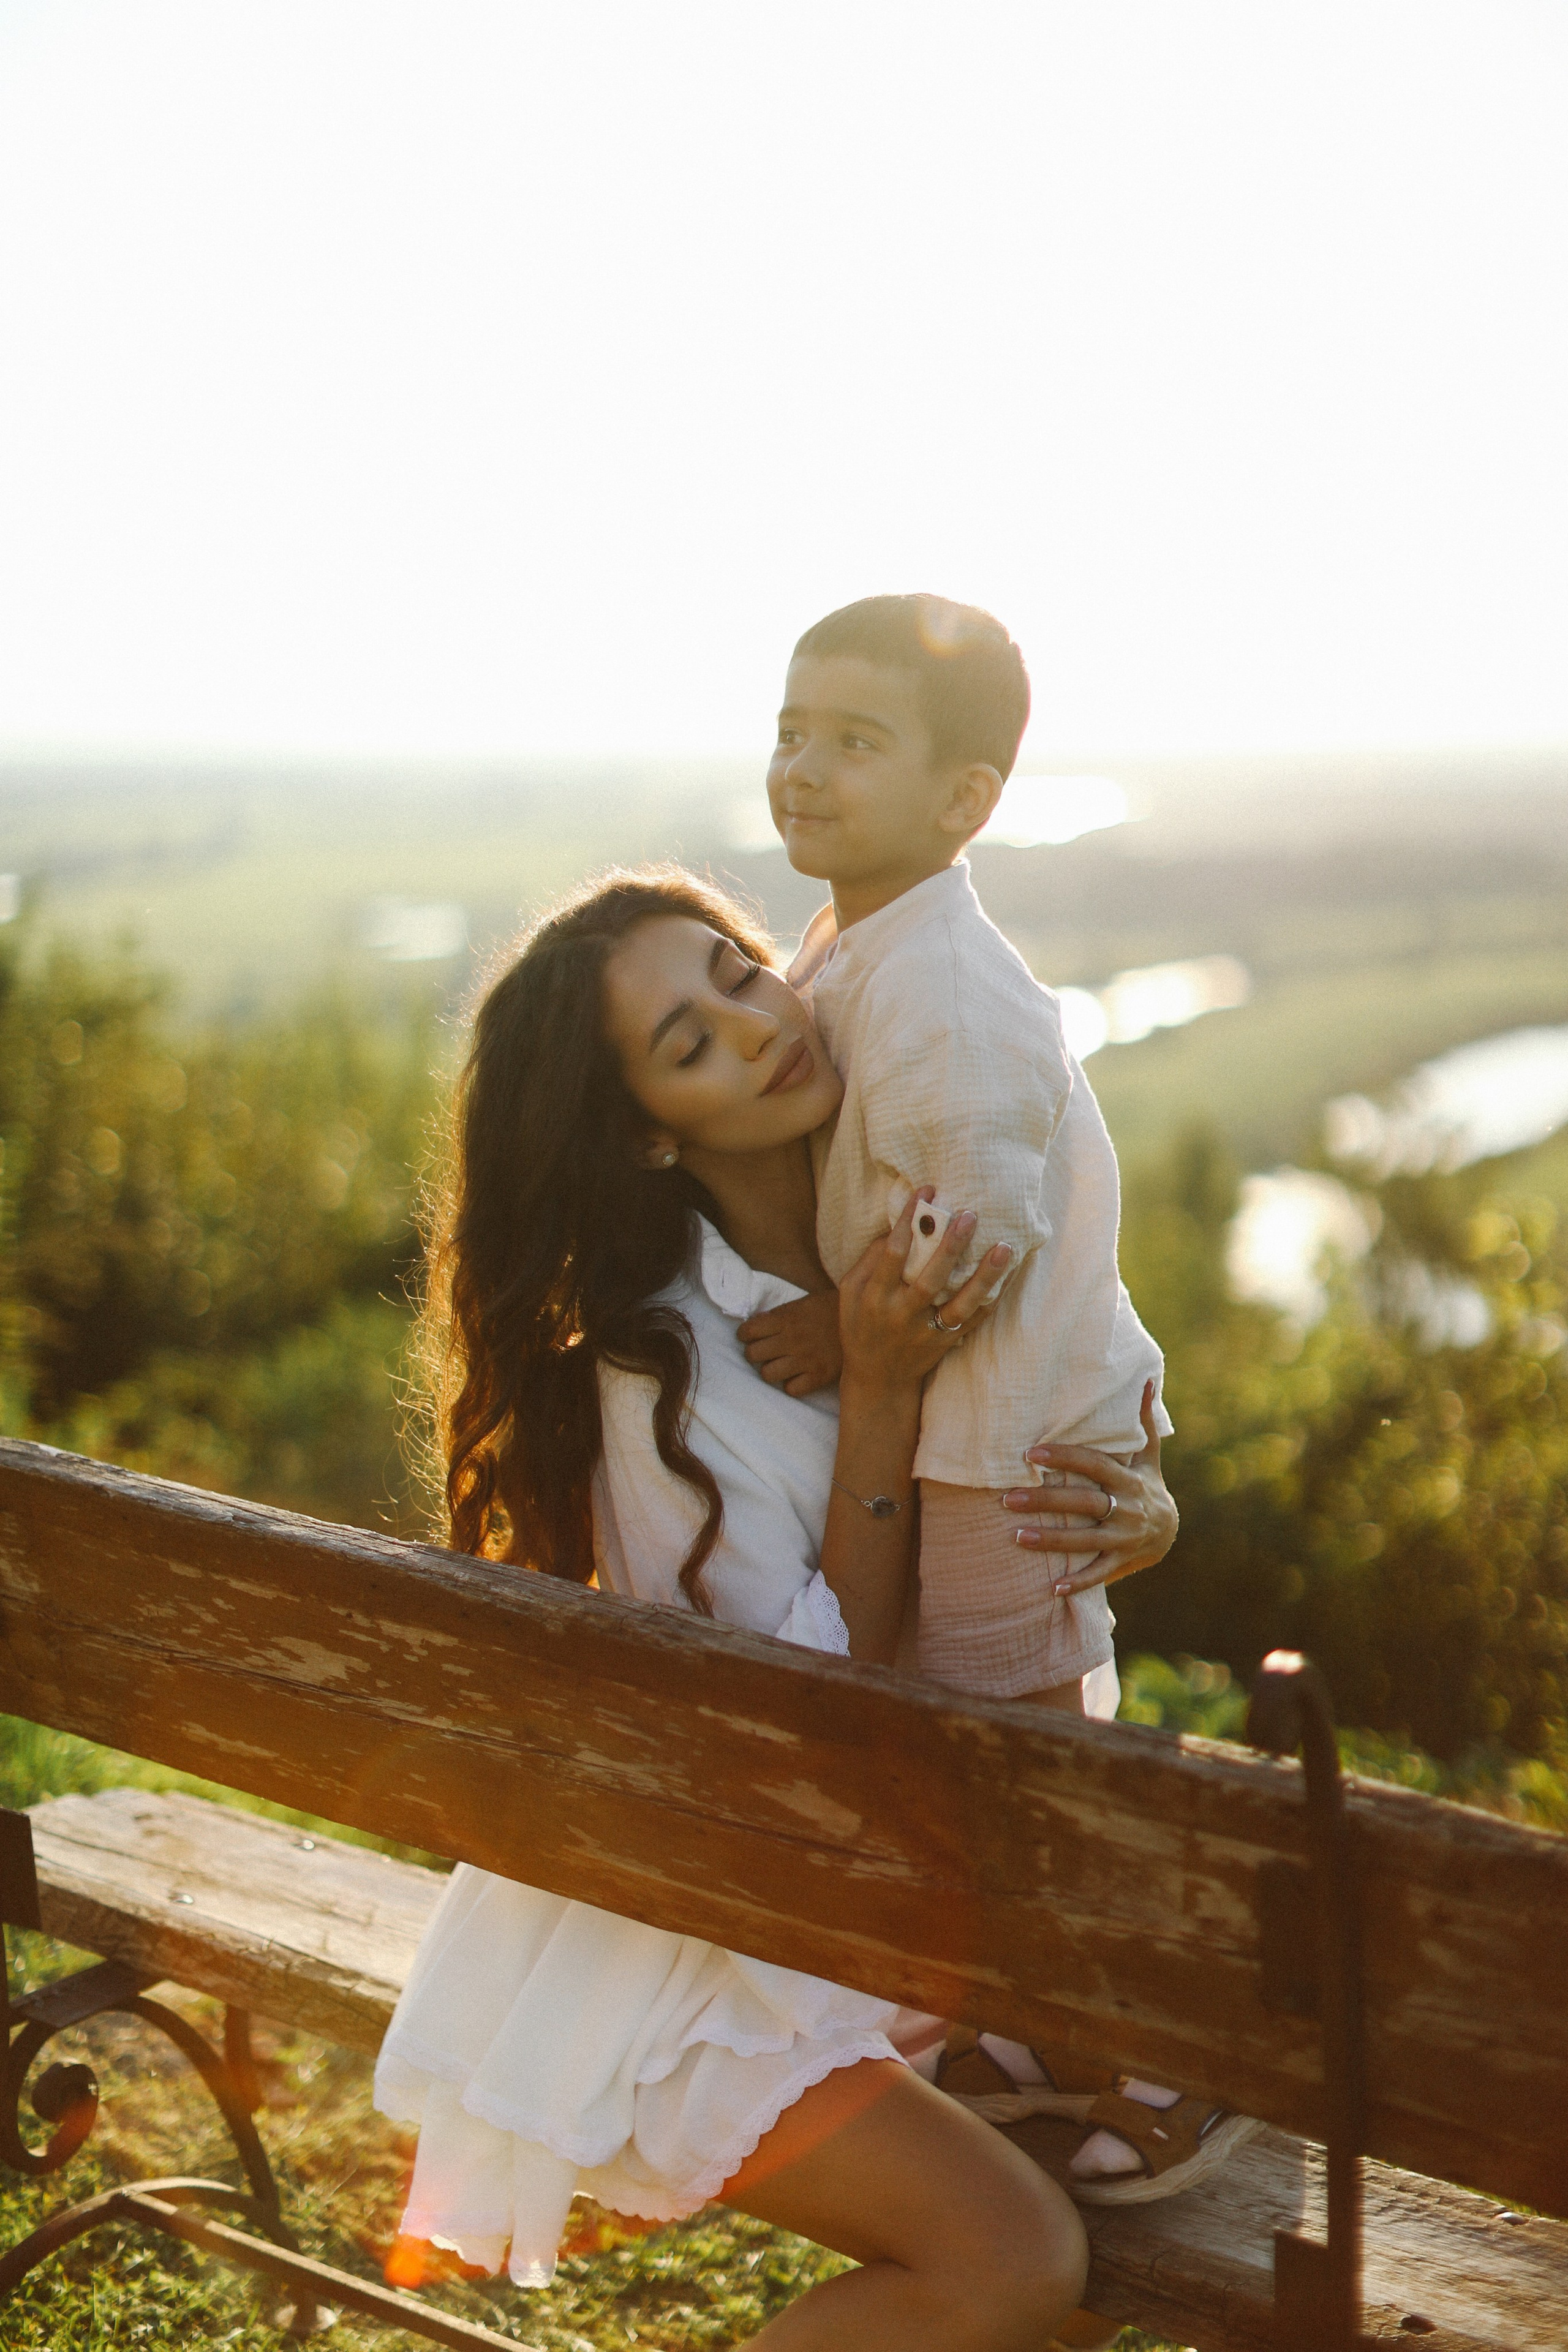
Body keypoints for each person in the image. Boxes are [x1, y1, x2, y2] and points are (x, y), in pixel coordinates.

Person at [376, 867, 1139, 2348]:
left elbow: (1048, 1470)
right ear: (654, 1131)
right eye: (686, 1042)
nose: (751, 1025)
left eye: (732, 972)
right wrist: (879, 1392)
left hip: (913, 1891)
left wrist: (1143, 1508)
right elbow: (793, 1721)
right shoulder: (651, 1372)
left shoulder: (933, 1210)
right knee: (1013, 2261)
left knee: (1081, 2275)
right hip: (715, 1944)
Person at [741, 592, 1257, 2201]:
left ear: (967, 801)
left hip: (1012, 1443)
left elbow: (977, 1228)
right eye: (792, 729)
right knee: (975, 1757)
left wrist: (841, 1324)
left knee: (1026, 1770)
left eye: (855, 741)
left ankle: (1168, 2065)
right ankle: (1032, 2035)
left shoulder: (950, 989)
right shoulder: (858, 938)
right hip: (966, 1434)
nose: (802, 769)